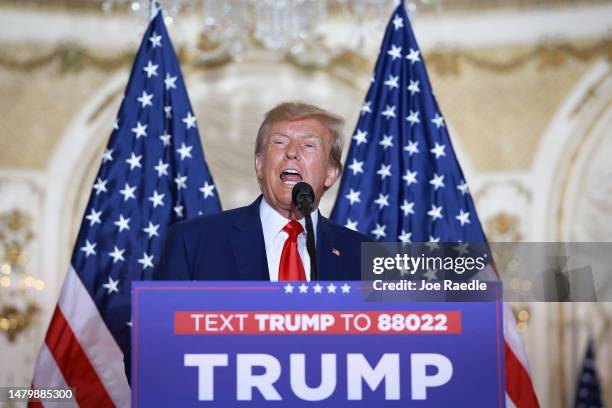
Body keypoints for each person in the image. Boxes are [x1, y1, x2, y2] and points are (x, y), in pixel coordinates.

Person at [154, 101, 369, 282]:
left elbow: (393, 328)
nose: (292, 152)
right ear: (259, 164)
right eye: (279, 142)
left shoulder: (367, 255)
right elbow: (162, 326)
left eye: (309, 145)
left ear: (331, 174)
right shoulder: (192, 240)